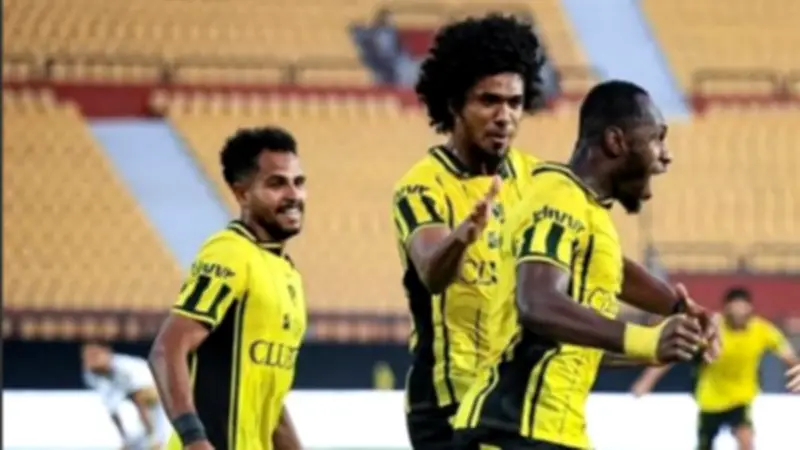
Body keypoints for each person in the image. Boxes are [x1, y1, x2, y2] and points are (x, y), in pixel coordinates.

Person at [452, 80, 720, 450]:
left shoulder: (587, 211)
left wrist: (678, 317)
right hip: (510, 429)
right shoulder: (557, 196)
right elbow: (537, 302)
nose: (666, 155)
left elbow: (580, 332)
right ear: (616, 141)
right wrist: (646, 338)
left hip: (552, 433)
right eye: (657, 138)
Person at [391, 14, 546, 450]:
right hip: (447, 406)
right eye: (489, 101)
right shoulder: (422, 187)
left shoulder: (537, 179)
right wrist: (464, 235)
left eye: (514, 102)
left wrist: (668, 307)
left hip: (512, 399)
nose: (504, 116)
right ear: (454, 104)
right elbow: (432, 272)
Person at [148, 127, 307, 450]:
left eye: (298, 182)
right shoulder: (230, 252)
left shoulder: (287, 273)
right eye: (277, 183)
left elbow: (271, 405)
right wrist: (194, 439)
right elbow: (167, 349)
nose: (293, 195)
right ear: (242, 194)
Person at [632, 287, 800, 450]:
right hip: (710, 398)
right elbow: (678, 351)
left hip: (741, 397)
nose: (738, 314)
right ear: (725, 309)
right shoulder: (711, 328)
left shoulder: (762, 330)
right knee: (705, 444)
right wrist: (646, 381)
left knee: (746, 440)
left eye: (742, 309)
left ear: (750, 309)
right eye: (734, 309)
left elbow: (788, 356)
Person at [82, 342, 168, 450]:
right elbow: (112, 408)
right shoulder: (91, 376)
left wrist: (152, 435)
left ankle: (153, 436)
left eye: (94, 355)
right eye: (86, 358)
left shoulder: (126, 367)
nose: (90, 361)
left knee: (142, 397)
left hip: (161, 395)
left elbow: (145, 395)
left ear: (106, 353)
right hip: (139, 409)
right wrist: (125, 439)